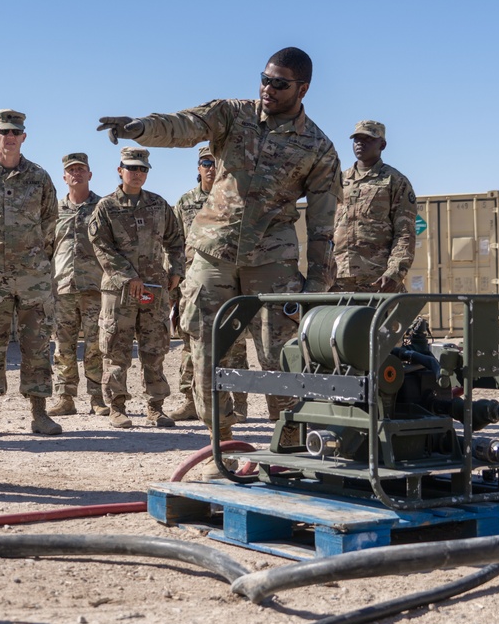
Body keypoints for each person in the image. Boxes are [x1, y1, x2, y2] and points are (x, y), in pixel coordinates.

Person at [97, 46, 340, 448]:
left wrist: (316, 286)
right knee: (206, 349)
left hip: (272, 259)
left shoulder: (318, 147)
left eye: (280, 84)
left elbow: (321, 225)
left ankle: (290, 445)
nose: (268, 89)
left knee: (282, 354)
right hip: (215, 252)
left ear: (303, 89)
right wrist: (139, 128)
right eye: (264, 79)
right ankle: (221, 446)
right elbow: (185, 124)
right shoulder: (234, 114)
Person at [0, 110, 61, 438]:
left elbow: (51, 217)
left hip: (31, 275)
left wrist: (34, 251)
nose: (9, 136)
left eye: (15, 132)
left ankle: (40, 413)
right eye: (3, 131)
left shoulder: (39, 177)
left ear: (24, 137)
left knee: (36, 342)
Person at [88, 147, 184, 428]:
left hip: (154, 290)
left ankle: (156, 408)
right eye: (132, 168)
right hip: (119, 293)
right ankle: (117, 407)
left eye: (143, 169)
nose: (137, 173)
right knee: (116, 350)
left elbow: (176, 240)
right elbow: (101, 246)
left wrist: (176, 271)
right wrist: (128, 276)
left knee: (155, 350)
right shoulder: (107, 207)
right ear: (120, 170)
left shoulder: (158, 204)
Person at [170, 145, 250, 423]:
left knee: (235, 345)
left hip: (227, 282)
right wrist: (175, 284)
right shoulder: (186, 202)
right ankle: (191, 402)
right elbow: (175, 245)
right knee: (191, 346)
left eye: (215, 162)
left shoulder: (236, 199)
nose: (210, 168)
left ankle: (239, 404)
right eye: (205, 162)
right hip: (192, 284)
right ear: (198, 167)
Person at [48, 152, 109, 418]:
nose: (76, 174)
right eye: (71, 170)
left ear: (90, 174)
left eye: (81, 169)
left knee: (96, 345)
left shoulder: (103, 208)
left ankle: (97, 397)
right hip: (63, 289)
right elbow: (47, 247)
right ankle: (65, 398)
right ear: (64, 177)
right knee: (63, 345)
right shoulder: (54, 210)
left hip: (95, 287)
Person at [331, 120, 416, 293]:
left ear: (382, 144)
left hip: (378, 278)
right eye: (357, 139)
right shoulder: (339, 180)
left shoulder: (394, 181)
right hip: (338, 278)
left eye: (368, 139)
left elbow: (405, 233)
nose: (360, 143)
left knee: (382, 321)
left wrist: (394, 272)